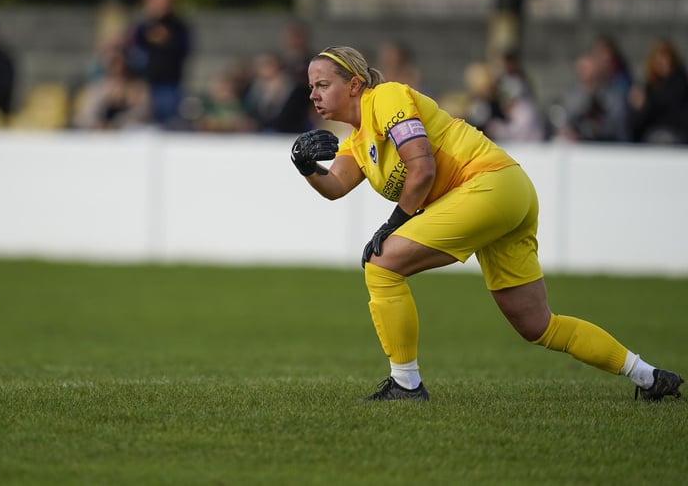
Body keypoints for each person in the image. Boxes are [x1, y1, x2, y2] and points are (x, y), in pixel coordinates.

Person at [290, 45, 684, 402]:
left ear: (355, 84)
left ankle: (405, 384)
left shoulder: (387, 96)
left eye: (322, 84)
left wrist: (391, 225)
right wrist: (306, 165)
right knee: (538, 326)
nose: (313, 94)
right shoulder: (357, 140)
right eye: (311, 87)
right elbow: (337, 185)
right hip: (506, 192)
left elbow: (422, 168)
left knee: (382, 265)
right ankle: (649, 376)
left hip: (489, 185)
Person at [127, 0, 191, 126]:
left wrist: (166, 39)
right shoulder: (143, 26)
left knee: (168, 124)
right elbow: (135, 50)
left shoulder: (178, 26)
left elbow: (184, 50)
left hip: (169, 83)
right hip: (144, 84)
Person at [72, 48, 150, 130]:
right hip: (101, 133)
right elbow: (86, 115)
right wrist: (99, 123)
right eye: (112, 65)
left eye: (119, 64)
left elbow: (142, 113)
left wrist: (117, 123)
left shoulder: (137, 86)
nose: (117, 69)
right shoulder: (100, 87)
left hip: (127, 133)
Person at [628, 39, 688, 144]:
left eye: (665, 57)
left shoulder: (680, 83)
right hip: (650, 133)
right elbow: (638, 123)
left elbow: (675, 113)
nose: (662, 62)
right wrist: (640, 107)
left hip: (673, 132)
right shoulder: (650, 86)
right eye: (658, 58)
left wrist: (647, 104)